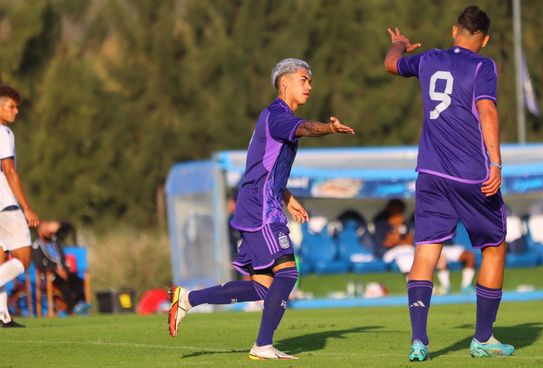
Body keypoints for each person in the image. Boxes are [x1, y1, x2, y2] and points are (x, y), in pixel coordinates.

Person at [168, 58, 355, 360]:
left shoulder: (276, 117)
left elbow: (266, 167)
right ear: (285, 83)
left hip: (262, 204)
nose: (309, 85)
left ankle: (188, 299)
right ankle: (263, 346)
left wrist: (287, 195)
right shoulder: (278, 115)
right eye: (303, 79)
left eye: (310, 80)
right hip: (260, 209)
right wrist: (329, 129)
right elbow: (307, 128)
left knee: (263, 288)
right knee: (288, 274)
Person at [384, 6, 514, 360]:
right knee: (495, 245)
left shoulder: (427, 60)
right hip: (470, 174)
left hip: (430, 173)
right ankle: (483, 338)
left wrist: (399, 44)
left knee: (426, 251)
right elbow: (487, 110)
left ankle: (419, 341)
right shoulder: (482, 66)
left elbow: (391, 64)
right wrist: (496, 162)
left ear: (453, 30)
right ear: (484, 39)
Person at [0, 85, 40, 327]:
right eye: (11, 106)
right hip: (5, 204)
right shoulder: (3, 133)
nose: (16, 111)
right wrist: (26, 207)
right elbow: (9, 170)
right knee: (24, 259)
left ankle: (2, 314)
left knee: (3, 259)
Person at [32, 221, 88, 314]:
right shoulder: (36, 245)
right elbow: (39, 265)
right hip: (49, 275)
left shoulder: (55, 241)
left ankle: (81, 304)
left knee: (77, 280)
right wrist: (55, 269)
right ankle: (72, 308)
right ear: (40, 231)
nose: (49, 233)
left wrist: (64, 270)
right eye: (46, 230)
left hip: (63, 270)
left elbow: (65, 229)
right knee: (63, 285)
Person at [373, 199, 415, 274]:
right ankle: (410, 281)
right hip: (388, 252)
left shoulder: (404, 222)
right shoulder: (382, 222)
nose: (398, 212)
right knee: (404, 259)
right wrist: (396, 229)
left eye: (400, 209)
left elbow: (410, 241)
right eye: (396, 208)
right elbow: (387, 243)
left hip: (406, 249)